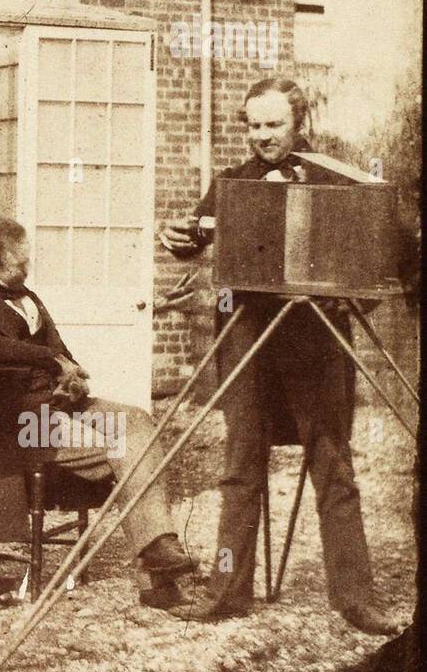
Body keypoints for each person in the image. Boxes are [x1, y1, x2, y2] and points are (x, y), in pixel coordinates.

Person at [159, 77, 401, 635]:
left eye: (274, 125)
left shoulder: (336, 179)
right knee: (240, 466)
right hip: (246, 336)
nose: (263, 136)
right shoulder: (231, 183)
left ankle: (356, 600)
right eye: (254, 125)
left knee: (333, 466)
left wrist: (349, 296)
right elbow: (194, 237)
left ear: (298, 125)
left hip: (314, 342)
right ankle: (227, 593)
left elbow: (381, 251)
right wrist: (178, 238)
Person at [0, 216, 197, 606]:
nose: (27, 269)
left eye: (27, 259)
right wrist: (52, 360)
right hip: (19, 422)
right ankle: (155, 575)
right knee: (125, 451)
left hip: (57, 405)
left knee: (137, 421)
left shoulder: (31, 299)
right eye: (17, 263)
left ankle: (159, 550)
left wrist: (72, 376)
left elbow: (62, 352)